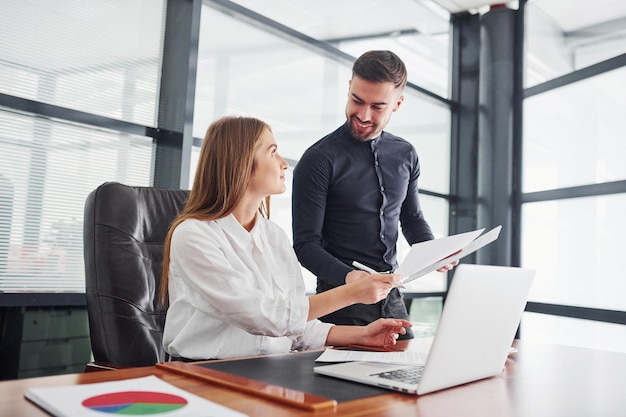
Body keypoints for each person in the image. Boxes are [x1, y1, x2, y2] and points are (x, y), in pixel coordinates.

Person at [159, 116, 410, 361]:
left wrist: (363, 335)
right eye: (272, 152)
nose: (284, 163)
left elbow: (296, 327)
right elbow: (262, 316)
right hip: (203, 373)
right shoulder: (193, 236)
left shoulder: (274, 236)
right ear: (242, 163)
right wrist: (353, 293)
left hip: (269, 369)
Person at [292, 50, 455, 339]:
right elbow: (306, 245)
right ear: (349, 89)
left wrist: (432, 252)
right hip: (339, 302)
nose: (363, 115)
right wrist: (351, 279)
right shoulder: (318, 159)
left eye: (378, 106)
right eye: (357, 100)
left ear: (398, 103)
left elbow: (412, 218)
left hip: (392, 299)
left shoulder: (406, 154)